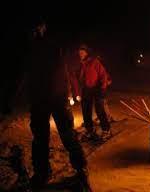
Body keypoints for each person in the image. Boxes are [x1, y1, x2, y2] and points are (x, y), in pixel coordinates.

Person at [27, 20, 92, 191]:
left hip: (57, 98)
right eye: (34, 28)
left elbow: (65, 70)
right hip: (39, 100)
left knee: (67, 134)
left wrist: (67, 92)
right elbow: (22, 74)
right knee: (40, 138)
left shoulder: (55, 45)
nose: (36, 30)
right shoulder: (30, 49)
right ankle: (42, 172)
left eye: (38, 26)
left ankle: (80, 167)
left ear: (43, 27)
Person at [70, 44, 111, 141]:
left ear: (87, 53)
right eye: (79, 53)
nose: (81, 54)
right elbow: (75, 79)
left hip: (97, 89)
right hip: (86, 89)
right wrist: (77, 93)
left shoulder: (94, 62)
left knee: (99, 110)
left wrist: (102, 87)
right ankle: (89, 130)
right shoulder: (79, 64)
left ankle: (106, 130)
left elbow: (103, 75)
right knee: (86, 110)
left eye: (83, 52)